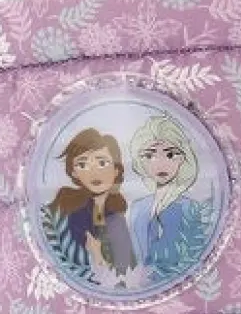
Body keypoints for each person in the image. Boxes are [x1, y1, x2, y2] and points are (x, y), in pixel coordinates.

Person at [48, 128, 137, 277]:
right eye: (83, 165)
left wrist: (98, 257)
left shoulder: (117, 218)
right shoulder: (65, 206)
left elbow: (127, 271)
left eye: (102, 163)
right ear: (74, 172)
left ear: (116, 169)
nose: (94, 172)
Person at [128, 115, 205, 278]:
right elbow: (134, 255)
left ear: (182, 159)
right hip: (141, 284)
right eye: (150, 156)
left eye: (170, 155)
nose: (161, 164)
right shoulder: (137, 208)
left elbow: (197, 255)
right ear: (140, 161)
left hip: (181, 282)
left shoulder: (190, 208)